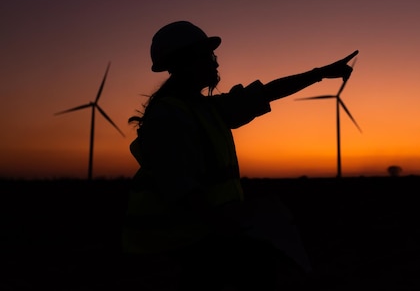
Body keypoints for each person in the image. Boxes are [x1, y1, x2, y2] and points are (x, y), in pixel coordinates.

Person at [122, 20, 358, 290]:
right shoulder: (169, 115)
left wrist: (320, 73)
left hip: (203, 232)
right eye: (207, 57)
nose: (215, 63)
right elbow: (179, 187)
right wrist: (228, 229)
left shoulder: (206, 109)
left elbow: (267, 92)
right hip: (180, 237)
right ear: (184, 63)